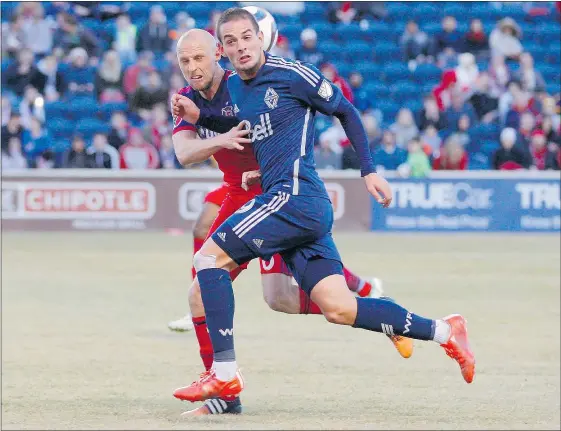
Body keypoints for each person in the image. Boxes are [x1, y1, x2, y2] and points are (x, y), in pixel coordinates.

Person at [172, 8, 475, 408]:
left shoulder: (294, 73)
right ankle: (445, 330)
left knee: (207, 261)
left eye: (247, 37)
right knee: (338, 307)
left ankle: (225, 376)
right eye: (232, 41)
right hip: (292, 201)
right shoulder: (240, 92)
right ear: (224, 50)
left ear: (261, 38)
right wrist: (205, 119)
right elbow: (256, 131)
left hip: (293, 199)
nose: (241, 46)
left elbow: (345, 110)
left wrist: (369, 171)